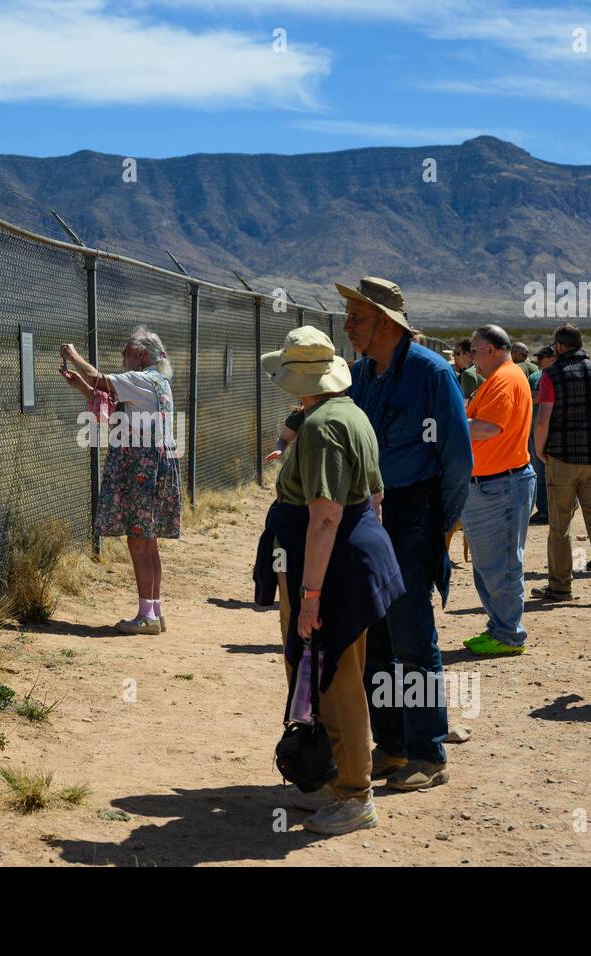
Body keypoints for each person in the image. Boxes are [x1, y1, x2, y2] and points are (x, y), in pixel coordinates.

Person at [257, 326, 405, 833]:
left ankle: (354, 794)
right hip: (347, 558)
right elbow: (376, 497)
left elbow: (325, 516)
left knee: (335, 678)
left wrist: (312, 594)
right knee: (325, 671)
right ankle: (333, 779)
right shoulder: (349, 413)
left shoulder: (320, 426)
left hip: (332, 563)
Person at [340, 276, 473, 791]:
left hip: (412, 512)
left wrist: (443, 522)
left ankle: (428, 752)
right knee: (374, 634)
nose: (348, 325)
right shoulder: (359, 375)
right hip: (365, 514)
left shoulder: (431, 374)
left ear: (386, 322)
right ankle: (391, 745)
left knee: (413, 635)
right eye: (349, 315)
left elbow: (457, 457)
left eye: (357, 317)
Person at [60, 327, 181, 634]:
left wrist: (73, 356)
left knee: (138, 542)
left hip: (142, 468)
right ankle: (154, 610)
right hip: (155, 466)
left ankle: (147, 618)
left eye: (127, 351)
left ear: (141, 355)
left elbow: (101, 379)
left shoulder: (142, 379)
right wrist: (84, 389)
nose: (123, 357)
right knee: (148, 541)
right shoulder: (158, 383)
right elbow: (118, 414)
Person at [532, 323, 591, 606]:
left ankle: (560, 587)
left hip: (561, 459)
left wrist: (540, 451)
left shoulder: (552, 375)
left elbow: (543, 419)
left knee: (560, 525)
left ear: (559, 346)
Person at [461, 326, 536, 656]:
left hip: (501, 485)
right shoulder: (500, 378)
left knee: (502, 565)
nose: (471, 356)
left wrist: (448, 424)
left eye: (474, 350)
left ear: (490, 349)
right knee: (488, 563)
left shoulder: (505, 379)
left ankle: (508, 635)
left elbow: (489, 427)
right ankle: (499, 627)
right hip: (492, 483)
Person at [527, 344, 554, 523]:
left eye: (542, 357)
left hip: (545, 430)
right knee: (543, 472)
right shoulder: (536, 376)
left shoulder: (551, 376)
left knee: (547, 472)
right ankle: (546, 509)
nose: (538, 360)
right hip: (540, 430)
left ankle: (550, 510)